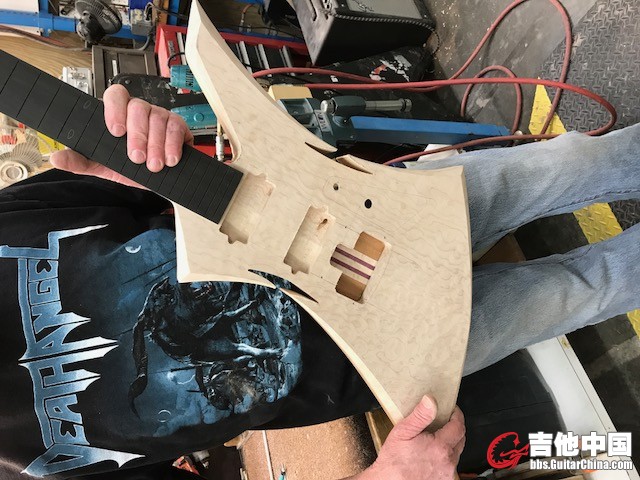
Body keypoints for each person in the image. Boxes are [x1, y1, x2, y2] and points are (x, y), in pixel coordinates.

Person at [1, 84, 637, 479]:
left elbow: (140, 182)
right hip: (377, 357)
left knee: (573, 163)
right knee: (584, 289)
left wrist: (155, 149)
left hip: (352, 214)